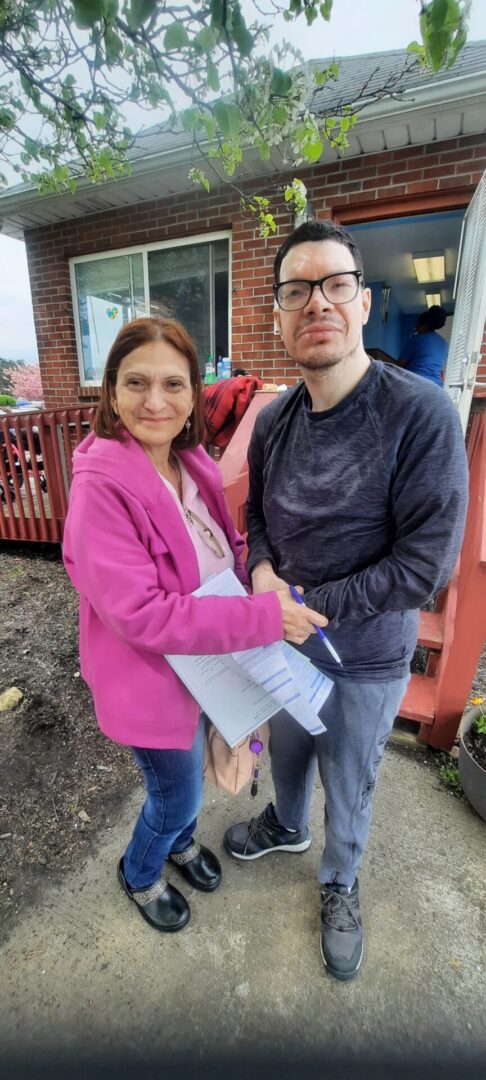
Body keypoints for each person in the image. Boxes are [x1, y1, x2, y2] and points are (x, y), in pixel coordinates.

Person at [223, 220, 468, 981]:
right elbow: (258, 516)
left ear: (362, 302)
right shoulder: (273, 420)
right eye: (297, 290)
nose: (317, 303)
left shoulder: (421, 414)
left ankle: (339, 880)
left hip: (365, 657)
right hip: (285, 641)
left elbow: (425, 566)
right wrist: (263, 571)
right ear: (278, 315)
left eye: (335, 285)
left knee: (351, 780)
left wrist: (306, 605)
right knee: (289, 753)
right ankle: (287, 824)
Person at [63, 316, 326, 935]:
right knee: (176, 792)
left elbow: (223, 544)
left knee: (192, 781)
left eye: (173, 384)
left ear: (192, 394)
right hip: (152, 679)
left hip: (207, 663)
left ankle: (179, 844)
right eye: (136, 382)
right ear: (111, 392)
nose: (155, 401)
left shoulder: (190, 461)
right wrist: (263, 617)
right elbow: (143, 614)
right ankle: (140, 871)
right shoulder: (100, 490)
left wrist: (260, 575)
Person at [396, 305, 448, 386]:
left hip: (416, 384)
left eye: (417, 326)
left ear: (424, 326)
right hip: (436, 387)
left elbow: (399, 366)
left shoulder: (416, 339)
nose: (416, 329)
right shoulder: (444, 343)